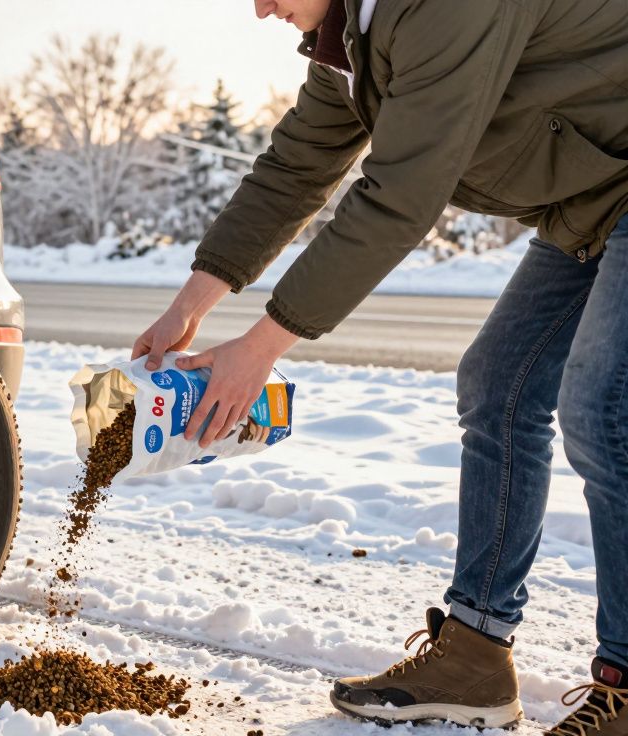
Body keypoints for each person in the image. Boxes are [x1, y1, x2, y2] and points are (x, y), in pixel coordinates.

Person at [131, 0, 628, 731]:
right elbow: (294, 169)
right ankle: (476, 655)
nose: (261, 7)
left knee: (601, 407)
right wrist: (191, 304)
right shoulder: (349, 38)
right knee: (498, 388)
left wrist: (258, 351)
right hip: (597, 196)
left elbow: (400, 195)